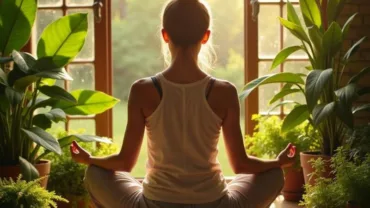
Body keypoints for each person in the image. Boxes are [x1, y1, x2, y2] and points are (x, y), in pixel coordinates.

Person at [70, 0, 296, 207]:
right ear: (206, 36)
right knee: (274, 175)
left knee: (95, 174)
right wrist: (277, 162)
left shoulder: (143, 90)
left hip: (155, 204)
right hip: (215, 203)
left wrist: (88, 158)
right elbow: (241, 165)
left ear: (165, 35)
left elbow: (124, 162)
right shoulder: (224, 92)